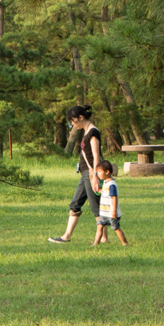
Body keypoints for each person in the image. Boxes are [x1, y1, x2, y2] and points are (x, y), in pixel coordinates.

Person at [49, 104, 105, 244]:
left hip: (91, 172)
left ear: (81, 117)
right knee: (75, 203)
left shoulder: (93, 132)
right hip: (85, 172)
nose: (73, 124)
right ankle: (66, 236)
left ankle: (103, 238)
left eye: (73, 121)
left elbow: (96, 156)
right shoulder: (86, 131)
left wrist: (95, 176)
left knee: (95, 207)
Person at [92, 160, 128, 246]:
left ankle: (125, 243)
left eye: (100, 172)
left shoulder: (112, 185)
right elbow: (106, 193)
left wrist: (114, 211)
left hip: (111, 213)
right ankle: (96, 243)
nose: (98, 174)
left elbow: (114, 197)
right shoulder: (105, 182)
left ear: (107, 172)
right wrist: (100, 190)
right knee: (99, 226)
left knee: (116, 228)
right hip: (104, 213)